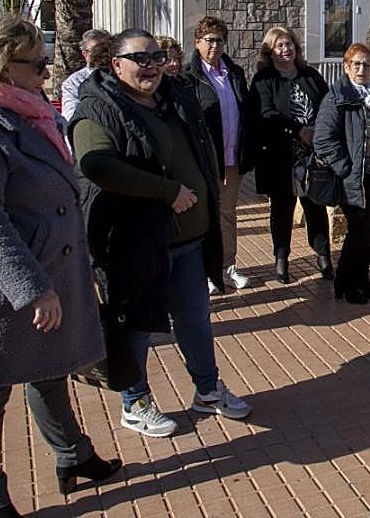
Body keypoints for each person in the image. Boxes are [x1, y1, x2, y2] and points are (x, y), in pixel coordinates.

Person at [0, 14, 119, 517]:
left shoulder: (27, 111)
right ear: (2, 66)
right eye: (37, 63)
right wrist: (33, 287)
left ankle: (73, 455)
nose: (47, 71)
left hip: (44, 272)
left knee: (50, 370)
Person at [71, 29, 250, 439]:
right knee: (136, 327)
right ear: (116, 65)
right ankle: (135, 402)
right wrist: (165, 190)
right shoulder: (97, 107)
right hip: (136, 242)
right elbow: (96, 165)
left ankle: (207, 389)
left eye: (156, 56)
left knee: (195, 321)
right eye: (140, 59)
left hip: (189, 240)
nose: (152, 65)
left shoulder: (174, 95)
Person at [313, 44, 370, 304]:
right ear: (347, 66)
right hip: (355, 178)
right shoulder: (337, 97)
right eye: (357, 64)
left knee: (368, 231)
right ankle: (345, 282)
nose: (362, 69)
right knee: (357, 232)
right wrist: (345, 168)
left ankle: (362, 279)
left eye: (367, 65)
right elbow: (323, 139)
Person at [247, 26, 332, 283]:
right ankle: (281, 259)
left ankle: (323, 256)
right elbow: (266, 115)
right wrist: (298, 130)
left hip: (312, 156)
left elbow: (327, 105)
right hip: (279, 156)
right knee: (282, 209)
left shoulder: (310, 76)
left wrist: (318, 131)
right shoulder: (264, 80)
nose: (286, 49)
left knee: (315, 206)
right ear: (270, 52)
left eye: (289, 44)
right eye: (280, 46)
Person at [181, 17, 255, 291]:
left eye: (220, 40)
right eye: (209, 40)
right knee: (204, 214)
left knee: (227, 214)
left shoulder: (234, 72)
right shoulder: (190, 77)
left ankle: (228, 266)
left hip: (232, 160)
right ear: (198, 43)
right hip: (205, 162)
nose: (215, 45)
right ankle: (205, 271)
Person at [60, 29, 111, 122]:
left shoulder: (121, 75)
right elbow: (71, 116)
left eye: (106, 49)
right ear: (85, 54)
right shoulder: (73, 82)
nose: (103, 54)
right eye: (96, 50)